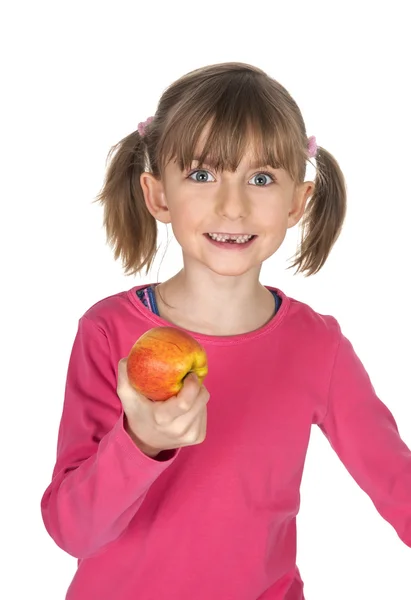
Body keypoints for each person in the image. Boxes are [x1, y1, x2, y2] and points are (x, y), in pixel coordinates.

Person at [40, 62, 411, 600]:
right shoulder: (108, 332)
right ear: (158, 195)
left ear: (297, 203)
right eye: (201, 174)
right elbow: (73, 533)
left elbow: (398, 485)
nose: (232, 206)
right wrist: (142, 443)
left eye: (260, 179)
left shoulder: (318, 346)